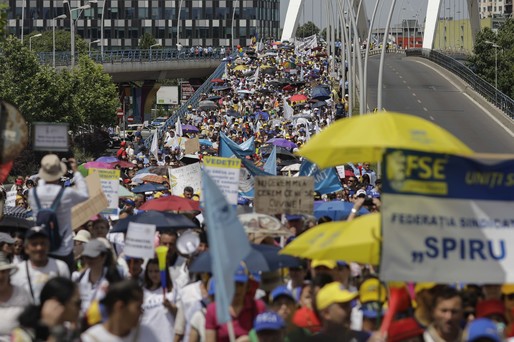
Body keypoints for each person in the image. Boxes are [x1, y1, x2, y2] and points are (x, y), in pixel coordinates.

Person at [28, 154, 89, 271]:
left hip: (42, 248)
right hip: (64, 249)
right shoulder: (66, 193)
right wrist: (76, 172)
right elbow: (85, 195)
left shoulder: (33, 193)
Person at [81, 279, 159, 342]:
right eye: (138, 307)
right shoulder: (90, 339)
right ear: (120, 307)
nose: (141, 312)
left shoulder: (146, 333)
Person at [205, 265, 266, 342]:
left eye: (240, 284)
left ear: (247, 286)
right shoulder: (213, 310)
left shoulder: (258, 307)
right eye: (232, 284)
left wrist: (249, 339)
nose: (236, 289)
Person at [11, 226, 70, 305]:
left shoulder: (61, 267)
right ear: (26, 249)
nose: (39, 248)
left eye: (43, 243)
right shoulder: (17, 272)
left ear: (48, 246)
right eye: (34, 244)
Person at [12, 277, 81, 342]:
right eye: (77, 303)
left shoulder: (69, 332)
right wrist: (54, 332)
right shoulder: (24, 334)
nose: (80, 307)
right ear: (56, 304)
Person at [72, 239, 123, 314]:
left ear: (103, 257)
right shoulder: (79, 278)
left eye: (93, 257)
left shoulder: (112, 276)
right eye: (86, 257)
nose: (89, 261)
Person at [142, 258, 176, 342]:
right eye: (150, 271)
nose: (153, 275)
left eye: (157, 271)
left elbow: (180, 317)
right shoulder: (142, 291)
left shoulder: (172, 291)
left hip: (166, 337)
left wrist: (170, 306)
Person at [0, 251, 31, 340]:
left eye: (3, 271)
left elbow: (30, 323)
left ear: (8, 272)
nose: (0, 276)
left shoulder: (21, 293)